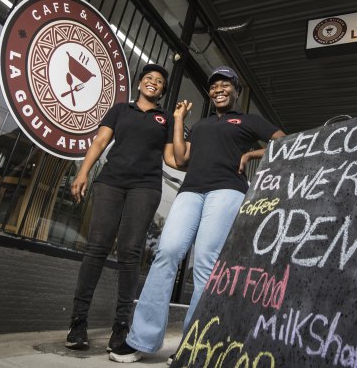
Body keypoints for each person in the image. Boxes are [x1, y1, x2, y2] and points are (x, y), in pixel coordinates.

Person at [109, 66, 286, 363]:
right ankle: (140, 339)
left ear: (236, 91)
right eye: (214, 85)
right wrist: (178, 120)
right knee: (166, 252)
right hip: (190, 191)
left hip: (227, 191)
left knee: (205, 263)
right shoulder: (202, 126)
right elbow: (180, 158)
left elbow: (285, 142)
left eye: (226, 84)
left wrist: (251, 154)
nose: (219, 88)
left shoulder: (248, 120)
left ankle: (193, 344)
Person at [66, 63, 179, 351]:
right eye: (149, 78)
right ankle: (78, 323)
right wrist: (82, 172)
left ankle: (121, 327)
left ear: (162, 90)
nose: (153, 82)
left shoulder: (165, 118)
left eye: (159, 81)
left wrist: (181, 125)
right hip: (111, 183)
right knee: (96, 247)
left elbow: (171, 159)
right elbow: (101, 141)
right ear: (140, 83)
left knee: (130, 253)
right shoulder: (120, 110)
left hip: (145, 187)